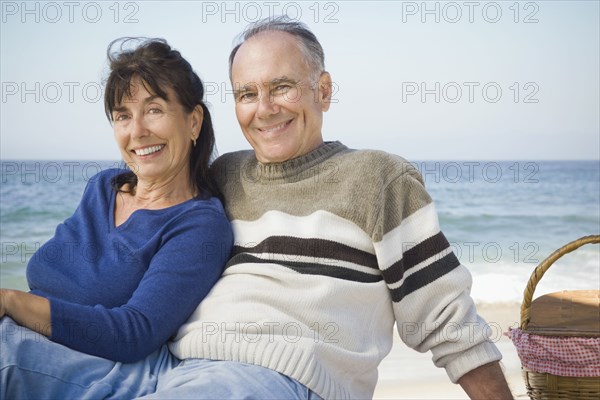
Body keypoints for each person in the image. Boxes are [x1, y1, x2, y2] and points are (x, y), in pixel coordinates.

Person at [142, 16, 515, 400]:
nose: (264, 109)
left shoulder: (379, 179)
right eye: (247, 94)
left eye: (281, 87)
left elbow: (445, 318)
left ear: (323, 91)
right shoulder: (223, 175)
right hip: (173, 365)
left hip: (280, 375)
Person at [0, 38, 233, 399]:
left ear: (194, 121)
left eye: (154, 109)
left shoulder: (199, 225)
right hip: (27, 338)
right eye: (123, 115)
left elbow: (134, 332)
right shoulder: (102, 188)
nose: (136, 131)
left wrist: (12, 302)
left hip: (105, 367)